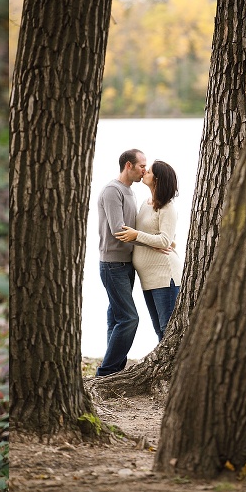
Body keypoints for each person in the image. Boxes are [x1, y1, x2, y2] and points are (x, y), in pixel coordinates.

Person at [116, 160, 182, 341]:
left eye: (149, 171)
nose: (145, 172)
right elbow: (161, 237)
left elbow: (165, 239)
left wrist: (137, 235)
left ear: (157, 179)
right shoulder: (146, 204)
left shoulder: (167, 207)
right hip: (148, 277)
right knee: (158, 329)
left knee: (166, 330)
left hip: (164, 274)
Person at [96, 149, 146, 377]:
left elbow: (132, 228)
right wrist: (151, 242)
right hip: (112, 264)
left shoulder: (130, 192)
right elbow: (118, 230)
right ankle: (106, 371)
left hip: (127, 263)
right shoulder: (112, 191)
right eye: (141, 166)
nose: (144, 170)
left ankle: (113, 371)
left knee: (116, 316)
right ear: (129, 165)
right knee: (129, 318)